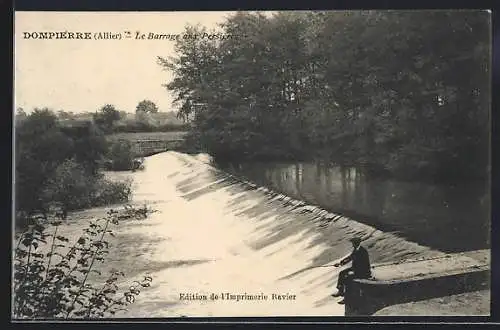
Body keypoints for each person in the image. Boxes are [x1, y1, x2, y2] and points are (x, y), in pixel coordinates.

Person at [331, 236, 372, 304]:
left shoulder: (362, 251)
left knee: (348, 279)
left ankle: (347, 298)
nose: (352, 245)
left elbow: (362, 264)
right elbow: (350, 257)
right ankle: (340, 291)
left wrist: (353, 271)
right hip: (356, 269)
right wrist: (340, 263)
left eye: (353, 243)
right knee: (342, 273)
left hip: (363, 272)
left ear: (356, 243)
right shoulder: (356, 249)